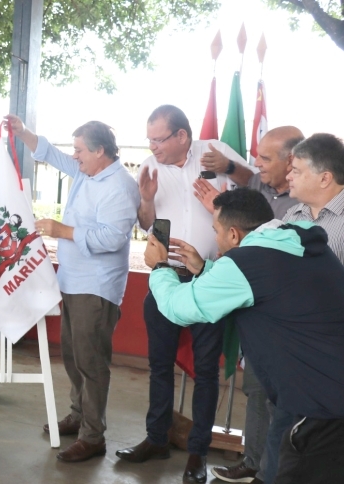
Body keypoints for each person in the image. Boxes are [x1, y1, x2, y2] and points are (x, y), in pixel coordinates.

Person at [144, 187, 344, 484]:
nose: (216, 238)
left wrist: (159, 267)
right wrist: (205, 269)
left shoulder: (248, 262)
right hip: (334, 394)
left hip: (324, 409)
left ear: (233, 234)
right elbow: (264, 286)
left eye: (216, 230)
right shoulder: (295, 242)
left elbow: (178, 307)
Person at [116, 105, 251, 484]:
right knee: (159, 366)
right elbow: (146, 223)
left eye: (159, 139)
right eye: (149, 139)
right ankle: (156, 439)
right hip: (165, 276)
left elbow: (255, 184)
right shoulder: (150, 166)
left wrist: (227, 167)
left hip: (209, 276)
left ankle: (197, 453)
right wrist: (146, 200)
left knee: (206, 372)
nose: (152, 146)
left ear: (182, 137)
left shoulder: (213, 149)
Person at [4, 114, 140, 463]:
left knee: (91, 361)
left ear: (99, 151)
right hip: (73, 280)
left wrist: (62, 231)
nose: (75, 157)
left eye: (80, 150)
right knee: (73, 354)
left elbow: (112, 238)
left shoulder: (120, 185)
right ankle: (79, 414)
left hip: (96, 286)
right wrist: (24, 134)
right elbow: (54, 156)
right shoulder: (88, 170)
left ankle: (93, 436)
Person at [192, 126, 305, 484]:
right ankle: (254, 463)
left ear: (292, 161)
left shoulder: (304, 207)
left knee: (284, 404)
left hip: (290, 325)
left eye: (265, 158)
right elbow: (247, 176)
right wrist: (227, 166)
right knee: (255, 391)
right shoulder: (257, 187)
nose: (257, 164)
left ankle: (278, 471)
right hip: (256, 316)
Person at [251, 133, 344, 483]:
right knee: (279, 431)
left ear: (324, 177)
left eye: (297, 170)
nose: (289, 177)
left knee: (314, 452)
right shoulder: (289, 217)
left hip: (332, 363)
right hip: (285, 349)